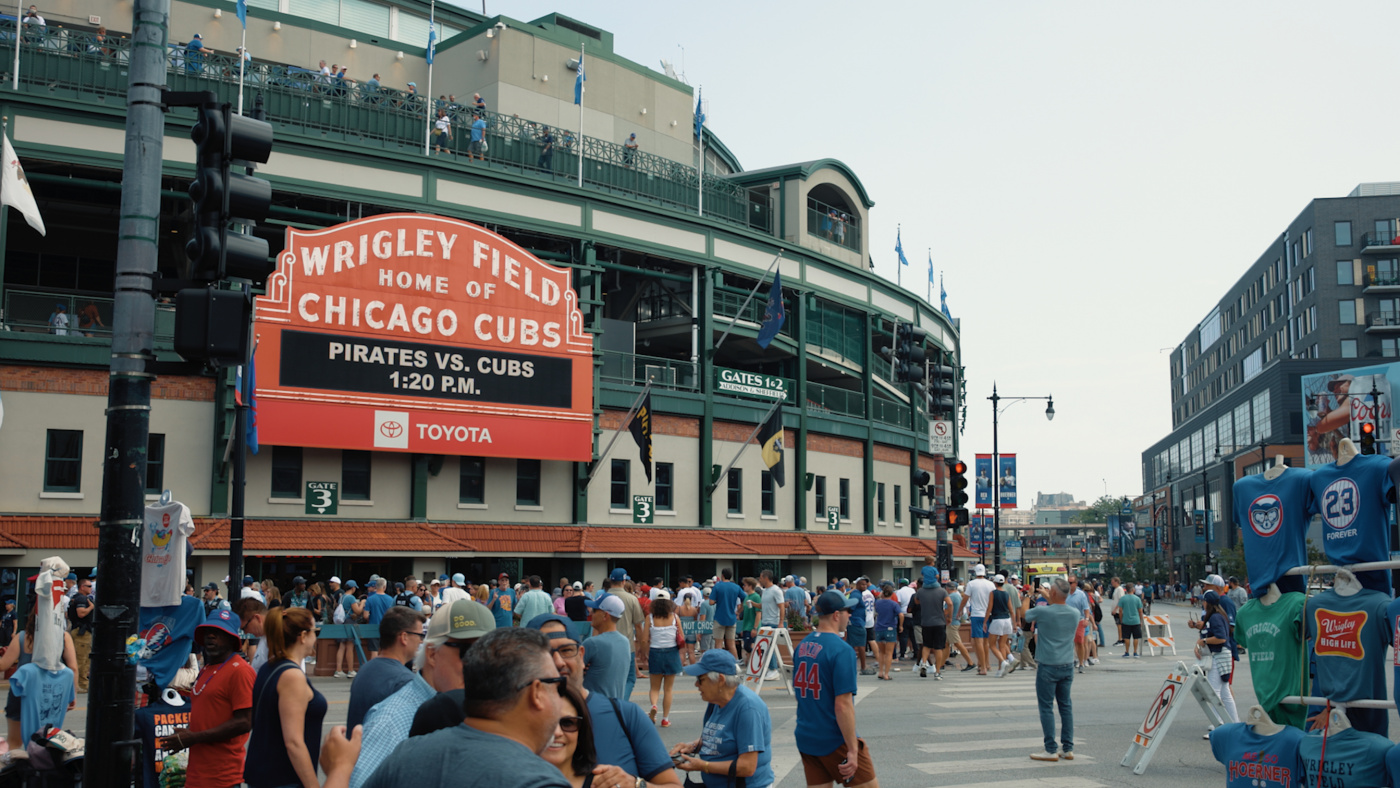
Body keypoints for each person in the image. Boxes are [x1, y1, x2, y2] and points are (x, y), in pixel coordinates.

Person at [361, 628, 571, 788]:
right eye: (557, 685)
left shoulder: (406, 756)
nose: (560, 699)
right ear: (536, 693)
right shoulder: (538, 782)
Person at [793, 590, 879, 788]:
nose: (850, 615)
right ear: (836, 615)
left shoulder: (803, 645)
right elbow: (843, 705)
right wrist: (852, 749)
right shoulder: (841, 650)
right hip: (833, 738)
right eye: (848, 611)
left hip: (807, 734)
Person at [163, 609, 255, 788]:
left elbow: (245, 722)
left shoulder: (240, 671)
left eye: (219, 632)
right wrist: (186, 734)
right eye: (208, 631)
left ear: (232, 639)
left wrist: (194, 737)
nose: (211, 636)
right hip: (197, 774)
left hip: (222, 777)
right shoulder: (207, 669)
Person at [244, 607, 326, 788]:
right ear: (303, 636)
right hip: (284, 779)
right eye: (315, 631)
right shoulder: (291, 676)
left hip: (266, 776)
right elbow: (294, 743)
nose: (316, 638)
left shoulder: (269, 667)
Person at [670, 649, 774, 787]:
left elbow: (747, 767)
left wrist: (703, 766)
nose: (696, 685)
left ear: (720, 680)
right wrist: (692, 746)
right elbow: (718, 736)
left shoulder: (748, 708)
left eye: (700, 679)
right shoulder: (716, 701)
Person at [409, 598, 496, 736]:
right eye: (470, 652)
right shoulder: (395, 722)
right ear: (432, 654)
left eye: (489, 653)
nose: (481, 664)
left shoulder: (480, 710)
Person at [346, 605, 426, 731]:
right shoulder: (404, 681)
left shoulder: (365, 669)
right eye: (420, 635)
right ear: (404, 637)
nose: (421, 641)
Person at [1025, 578, 1079, 762]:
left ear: (1052, 593)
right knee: (1065, 706)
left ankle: (1050, 749)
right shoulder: (1074, 613)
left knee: (1046, 707)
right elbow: (1059, 607)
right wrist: (1051, 597)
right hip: (1067, 663)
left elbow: (1025, 615)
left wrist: (1030, 595)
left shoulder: (1043, 611)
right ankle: (1068, 748)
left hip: (1048, 664)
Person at [1195, 591, 1239, 729]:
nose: (1202, 603)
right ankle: (1234, 722)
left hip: (1219, 656)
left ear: (1208, 602)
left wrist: (1204, 641)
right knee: (1225, 692)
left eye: (1203, 601)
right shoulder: (1218, 615)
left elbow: (1221, 638)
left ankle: (1218, 724)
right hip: (1223, 655)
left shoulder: (1215, 617)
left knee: (1214, 692)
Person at [542, 685, 597, 788]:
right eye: (546, 722)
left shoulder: (606, 783)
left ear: (581, 731)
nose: (557, 732)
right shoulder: (509, 780)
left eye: (567, 723)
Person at [642, 595, 683, 726]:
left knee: (654, 687)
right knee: (668, 689)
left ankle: (654, 706)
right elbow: (681, 636)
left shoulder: (650, 618)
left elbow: (644, 639)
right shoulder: (675, 617)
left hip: (655, 652)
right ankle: (665, 718)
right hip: (672, 652)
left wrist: (644, 653)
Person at [582, 593, 629, 699]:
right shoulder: (625, 642)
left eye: (595, 610)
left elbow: (570, 675)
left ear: (605, 615)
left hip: (593, 706)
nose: (591, 613)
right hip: (616, 706)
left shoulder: (592, 643)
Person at [915, 578, 949, 679]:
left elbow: (916, 601)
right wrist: (948, 615)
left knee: (926, 645)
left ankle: (924, 663)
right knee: (938, 647)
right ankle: (937, 672)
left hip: (926, 622)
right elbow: (950, 603)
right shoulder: (942, 591)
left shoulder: (921, 591)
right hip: (939, 622)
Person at [964, 565, 995, 675]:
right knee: (986, 641)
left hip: (976, 614)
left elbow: (965, 598)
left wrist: (959, 611)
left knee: (978, 642)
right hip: (988, 614)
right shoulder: (991, 584)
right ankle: (986, 664)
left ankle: (982, 667)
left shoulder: (971, 584)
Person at [986, 574, 1017, 677]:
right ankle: (1001, 669)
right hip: (1007, 619)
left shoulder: (993, 593)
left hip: (997, 619)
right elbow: (1011, 610)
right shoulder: (1006, 593)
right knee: (1002, 645)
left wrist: (985, 621)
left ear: (995, 582)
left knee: (992, 645)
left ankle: (1003, 662)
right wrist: (1014, 623)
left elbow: (989, 608)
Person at [67, 577, 94, 691]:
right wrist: (91, 607)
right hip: (82, 632)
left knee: (85, 659)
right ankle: (77, 684)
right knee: (80, 659)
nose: (91, 588)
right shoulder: (81, 599)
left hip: (80, 631)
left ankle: (82, 683)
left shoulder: (76, 598)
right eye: (89, 586)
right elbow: (81, 613)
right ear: (82, 587)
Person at [870, 585, 899, 681]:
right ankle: (886, 674)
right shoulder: (894, 604)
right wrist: (901, 625)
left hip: (879, 628)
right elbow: (900, 614)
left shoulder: (878, 603)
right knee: (889, 653)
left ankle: (880, 672)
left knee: (881, 652)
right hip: (890, 627)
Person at [1117, 581, 1144, 658]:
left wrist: (1121, 619)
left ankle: (1127, 652)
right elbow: (1140, 611)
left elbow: (1120, 610)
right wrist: (1141, 620)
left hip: (1126, 620)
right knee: (1136, 637)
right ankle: (1135, 652)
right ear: (1133, 590)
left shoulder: (1123, 599)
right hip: (1136, 620)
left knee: (1126, 637)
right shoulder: (1137, 599)